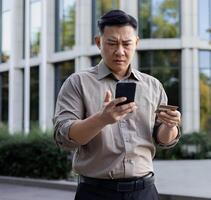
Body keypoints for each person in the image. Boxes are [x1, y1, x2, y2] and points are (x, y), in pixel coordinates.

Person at [53, 9, 181, 200]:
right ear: (99, 43)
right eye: (112, 43)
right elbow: (63, 136)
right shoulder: (77, 82)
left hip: (144, 192)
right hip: (96, 193)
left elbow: (163, 139)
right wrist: (101, 119)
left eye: (127, 44)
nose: (120, 51)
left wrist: (170, 126)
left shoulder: (153, 85)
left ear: (136, 43)